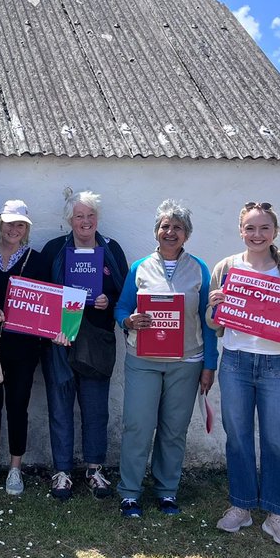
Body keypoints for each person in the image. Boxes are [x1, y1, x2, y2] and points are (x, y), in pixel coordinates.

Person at [207, 201, 280, 547]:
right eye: (250, 228)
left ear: (275, 232)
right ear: (240, 231)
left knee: (277, 439)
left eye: (264, 228)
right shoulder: (226, 268)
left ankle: (277, 514)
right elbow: (213, 323)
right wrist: (216, 306)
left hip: (277, 364)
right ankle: (241, 506)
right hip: (236, 362)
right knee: (237, 436)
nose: (257, 235)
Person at [114, 199, 217, 518]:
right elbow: (121, 308)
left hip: (186, 363)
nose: (170, 232)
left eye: (177, 227)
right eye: (164, 226)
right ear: (156, 231)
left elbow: (209, 320)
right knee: (138, 426)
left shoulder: (199, 269)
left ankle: (167, 491)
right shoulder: (139, 267)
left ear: (186, 234)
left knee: (174, 429)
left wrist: (209, 365)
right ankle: (130, 492)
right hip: (143, 358)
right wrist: (128, 321)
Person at [40, 190, 128, 501]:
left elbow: (125, 294)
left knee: (95, 409)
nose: (85, 221)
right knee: (60, 407)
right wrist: (51, 328)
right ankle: (62, 471)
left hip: (97, 342)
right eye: (79, 216)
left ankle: (95, 469)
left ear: (97, 219)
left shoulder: (112, 250)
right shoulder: (53, 250)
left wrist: (109, 300)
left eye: (90, 216)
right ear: (70, 220)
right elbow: (41, 295)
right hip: (59, 344)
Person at [0, 199, 57, 497]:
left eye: (20, 224)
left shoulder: (37, 260)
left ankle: (15, 468)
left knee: (18, 405)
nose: (13, 229)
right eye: (9, 223)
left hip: (23, 347)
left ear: (27, 228)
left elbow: (46, 304)